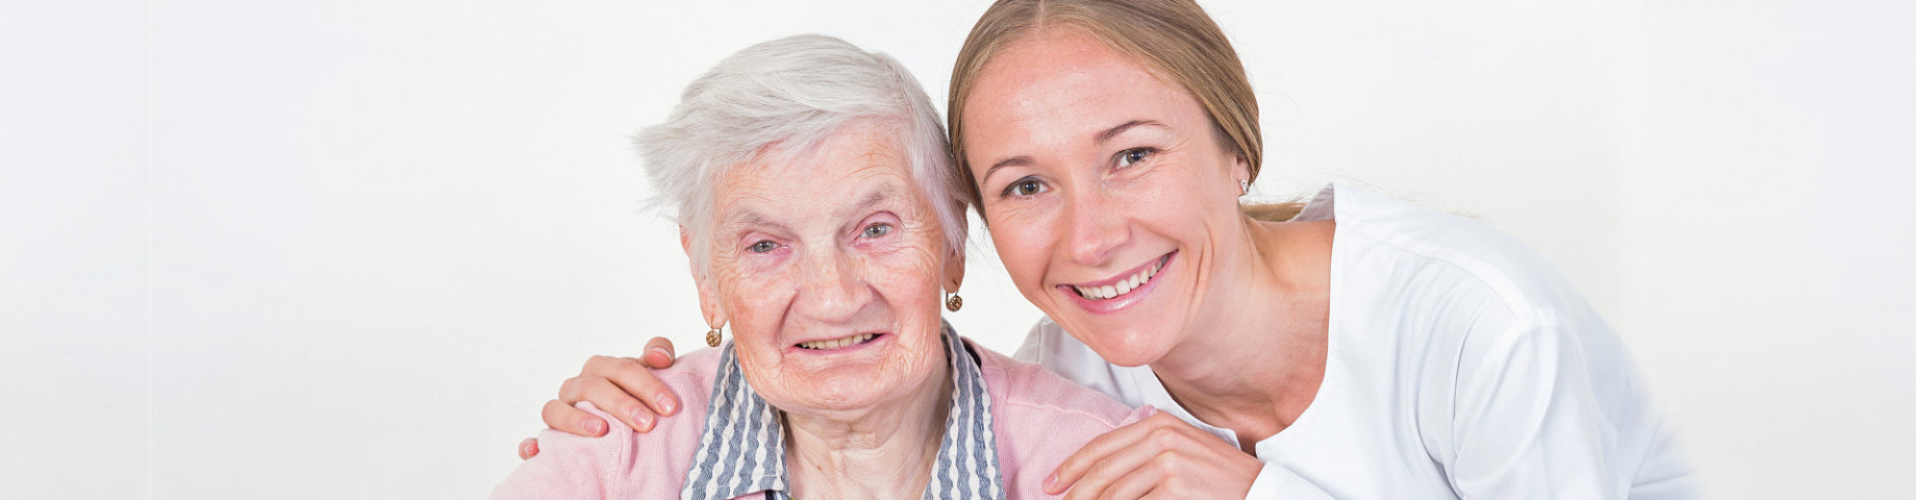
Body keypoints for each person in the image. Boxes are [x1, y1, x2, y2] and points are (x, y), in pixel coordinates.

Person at [525, 1, 1695, 498]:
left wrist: (1261, 496)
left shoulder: (1479, 324)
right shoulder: (1078, 380)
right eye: (1026, 183)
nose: (1089, 234)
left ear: (1236, 149)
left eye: (1132, 154)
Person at [491, 34, 1149, 500]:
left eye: (875, 229)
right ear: (705, 277)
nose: (832, 299)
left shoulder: (1105, 466)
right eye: (765, 246)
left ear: (952, 246)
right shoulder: (613, 456)